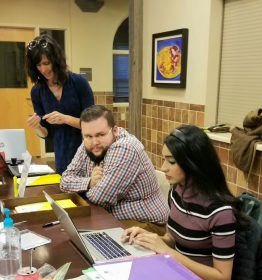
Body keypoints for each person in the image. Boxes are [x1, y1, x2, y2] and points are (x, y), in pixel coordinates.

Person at [122, 125, 246, 280]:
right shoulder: (177, 192)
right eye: (164, 159)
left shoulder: (221, 212)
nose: (163, 167)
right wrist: (149, 238)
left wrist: (169, 254)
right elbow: (172, 238)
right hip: (176, 276)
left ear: (193, 163)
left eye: (171, 162)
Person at [60, 105, 169, 235]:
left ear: (115, 130)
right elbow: (64, 181)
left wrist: (83, 190)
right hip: (108, 218)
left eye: (100, 134)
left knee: (85, 240)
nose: (94, 142)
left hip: (144, 225)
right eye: (88, 136)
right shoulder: (88, 144)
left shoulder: (125, 147)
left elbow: (100, 198)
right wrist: (89, 183)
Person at [25, 34, 94, 174]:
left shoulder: (79, 83)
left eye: (46, 63)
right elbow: (46, 134)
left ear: (56, 60)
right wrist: (37, 126)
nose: (43, 70)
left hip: (87, 154)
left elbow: (93, 124)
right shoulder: (37, 91)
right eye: (38, 65)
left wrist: (65, 119)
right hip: (61, 156)